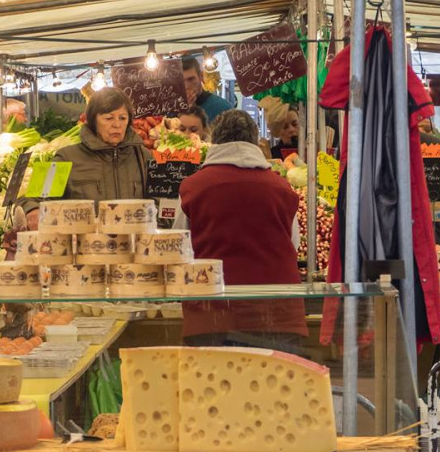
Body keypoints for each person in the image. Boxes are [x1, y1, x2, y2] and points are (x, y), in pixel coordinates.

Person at [175, 110, 305, 347]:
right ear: (254, 141)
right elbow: (293, 244)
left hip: (211, 315)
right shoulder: (281, 188)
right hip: (277, 314)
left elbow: (178, 250)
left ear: (214, 139)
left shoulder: (192, 188)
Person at [22, 87, 149, 229]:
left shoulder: (144, 157)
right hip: (83, 241)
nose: (117, 125)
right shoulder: (65, 157)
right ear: (93, 121)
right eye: (109, 118)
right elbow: (31, 199)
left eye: (123, 118)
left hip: (136, 240)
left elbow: (161, 203)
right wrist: (33, 210)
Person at [181, 56, 232, 124]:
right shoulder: (171, 110)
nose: (186, 86)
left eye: (191, 79)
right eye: (181, 81)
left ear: (201, 76)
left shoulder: (222, 108)